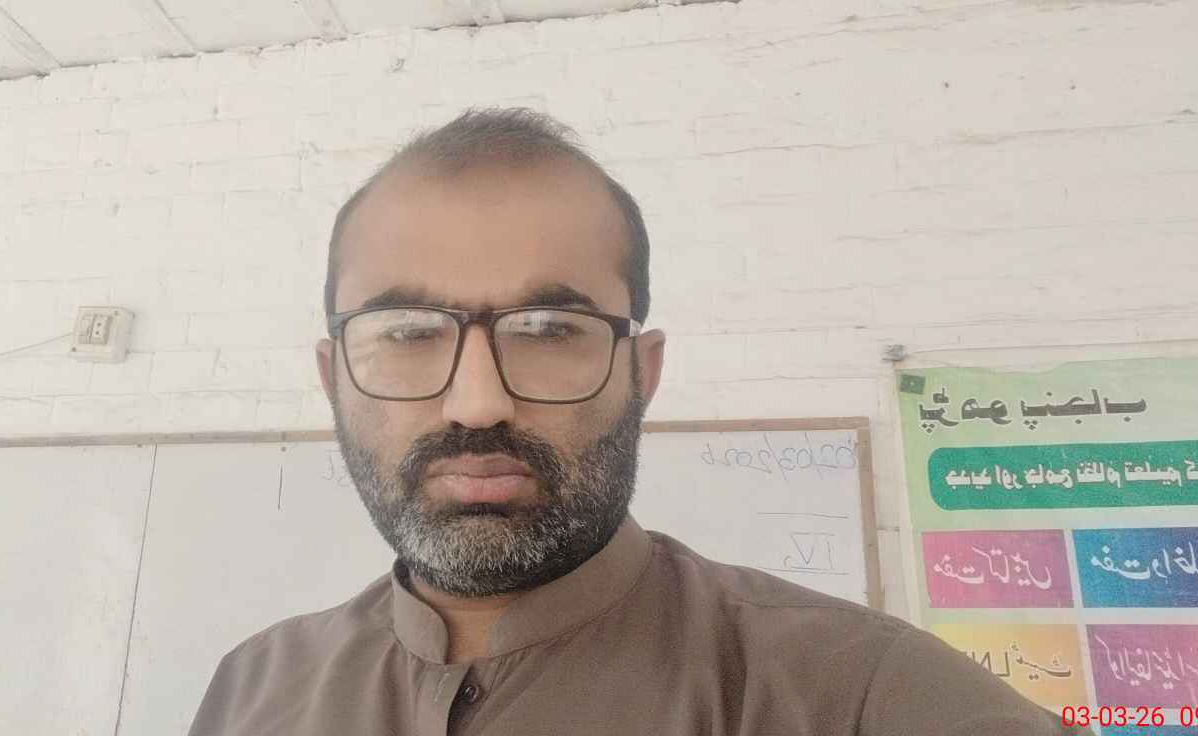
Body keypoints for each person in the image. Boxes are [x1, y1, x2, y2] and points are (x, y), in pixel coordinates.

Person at [189, 107, 1080, 735]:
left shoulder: (866, 695)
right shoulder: (251, 690)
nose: (477, 402)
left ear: (642, 373)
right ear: (332, 377)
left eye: (549, 330)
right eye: (408, 333)